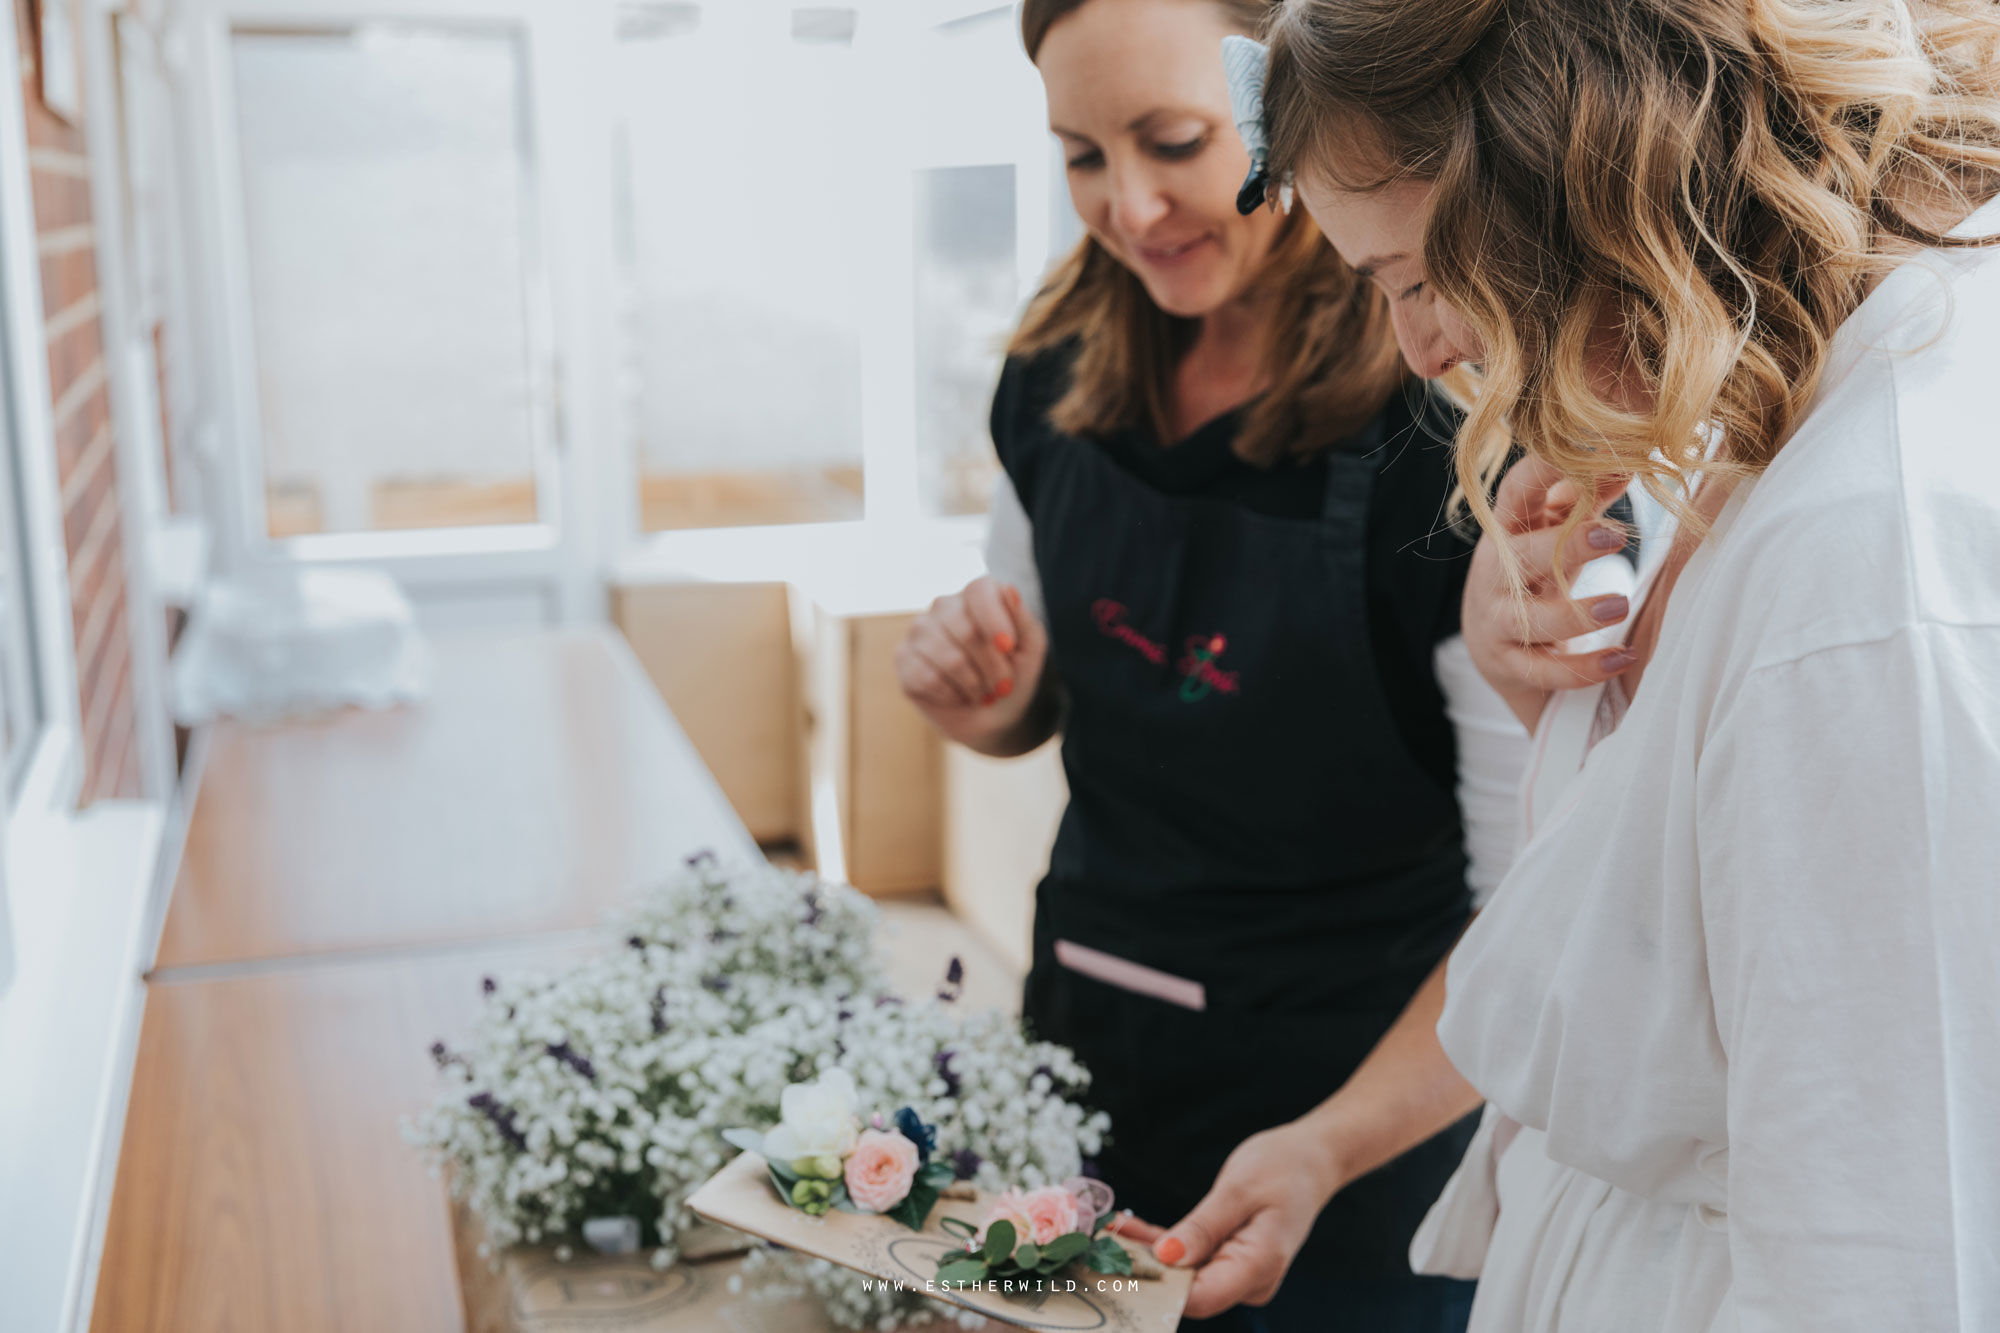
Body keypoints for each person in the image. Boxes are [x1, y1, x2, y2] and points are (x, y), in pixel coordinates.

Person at [1241, 0, 2000, 1327]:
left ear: (1560, 175)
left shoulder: (1864, 561)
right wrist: (1565, 707)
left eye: (1416, 277)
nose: (1420, 352)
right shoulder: (1805, 411)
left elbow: (1880, 1260)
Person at [891, 0, 1543, 1325]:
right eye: (1081, 154)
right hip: (1095, 1043)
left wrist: (1329, 1145)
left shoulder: (1446, 430)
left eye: (1175, 141)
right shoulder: (1051, 365)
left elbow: (1528, 912)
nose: (1129, 207)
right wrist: (990, 695)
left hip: (1362, 1110)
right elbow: (1044, 685)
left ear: (1282, 106)